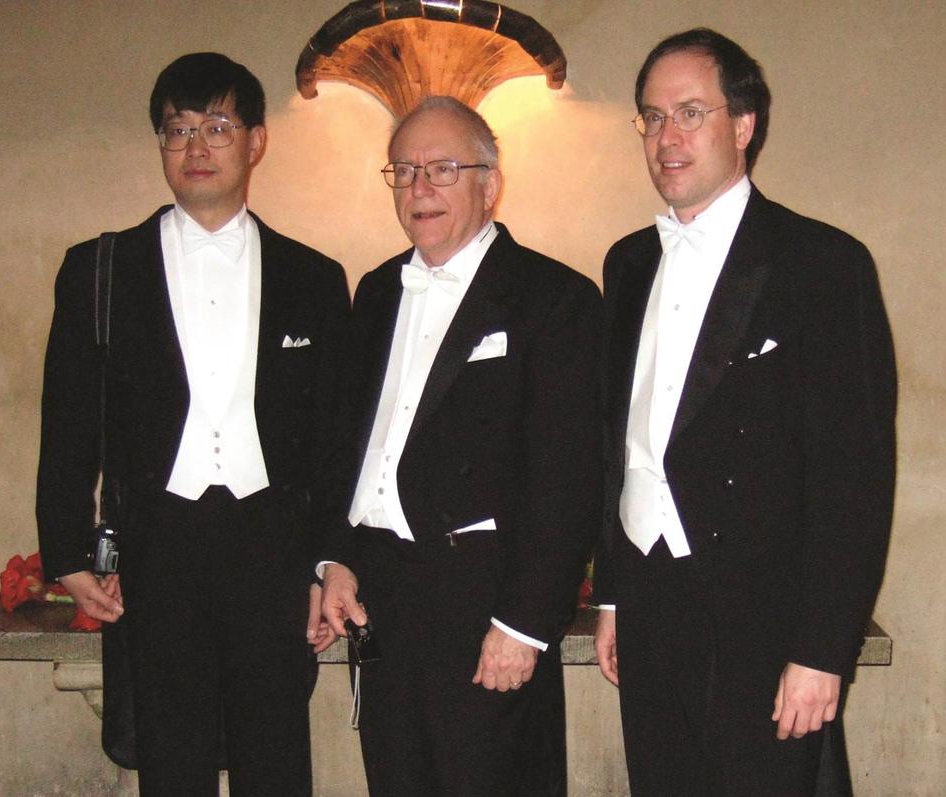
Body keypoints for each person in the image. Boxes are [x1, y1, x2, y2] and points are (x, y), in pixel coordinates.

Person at [593, 28, 897, 796]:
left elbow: (853, 476)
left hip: (764, 620)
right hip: (652, 601)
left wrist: (823, 648)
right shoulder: (628, 263)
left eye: (691, 113)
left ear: (742, 125)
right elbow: (623, 444)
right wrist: (614, 593)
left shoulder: (823, 265)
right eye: (652, 117)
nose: (668, 137)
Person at [36, 52, 349, 796]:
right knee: (170, 763)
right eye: (178, 130)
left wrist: (328, 558)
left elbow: (335, 436)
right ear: (161, 146)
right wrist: (66, 549)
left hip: (271, 546)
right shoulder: (99, 270)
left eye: (217, 126)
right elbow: (68, 417)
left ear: (255, 141)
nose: (198, 147)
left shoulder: (313, 277)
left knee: (276, 762)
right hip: (158, 545)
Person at [312, 95, 602, 796]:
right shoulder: (378, 289)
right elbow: (355, 441)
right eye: (404, 170)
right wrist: (338, 557)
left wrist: (525, 622)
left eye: (442, 168)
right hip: (385, 600)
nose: (420, 187)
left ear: (489, 183)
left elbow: (567, 477)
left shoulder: (554, 297)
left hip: (484, 604)